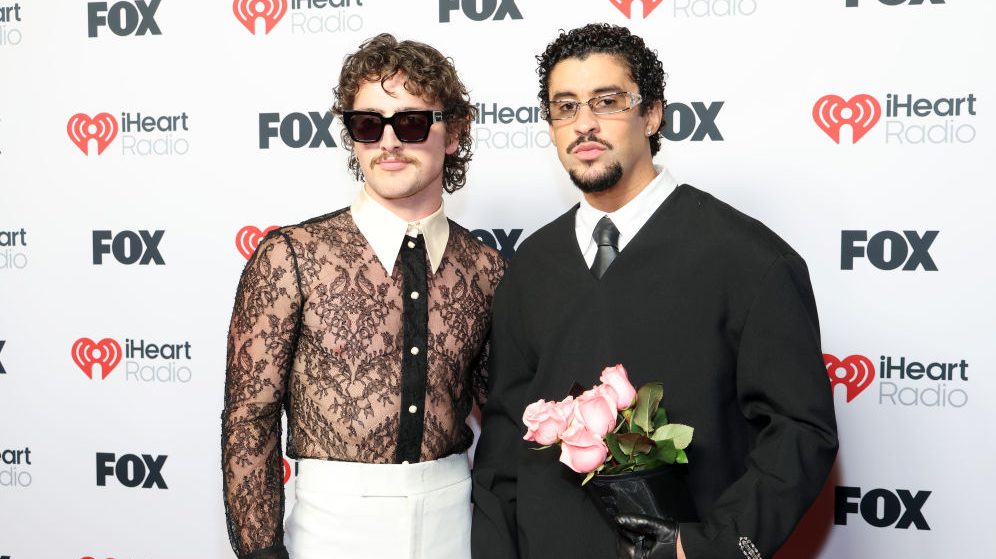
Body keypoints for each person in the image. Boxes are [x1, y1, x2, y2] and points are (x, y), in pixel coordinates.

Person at [471, 23, 838, 559]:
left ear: (653, 114)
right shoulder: (531, 263)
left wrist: (713, 548)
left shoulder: (749, 258)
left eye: (608, 101)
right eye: (565, 107)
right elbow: (504, 440)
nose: (585, 124)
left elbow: (800, 431)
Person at [222, 33, 505, 559]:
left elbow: (506, 416)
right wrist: (262, 551)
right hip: (330, 529)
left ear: (455, 132)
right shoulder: (293, 256)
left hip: (456, 523)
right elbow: (249, 423)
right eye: (369, 125)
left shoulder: (487, 268)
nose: (389, 143)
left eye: (413, 123)